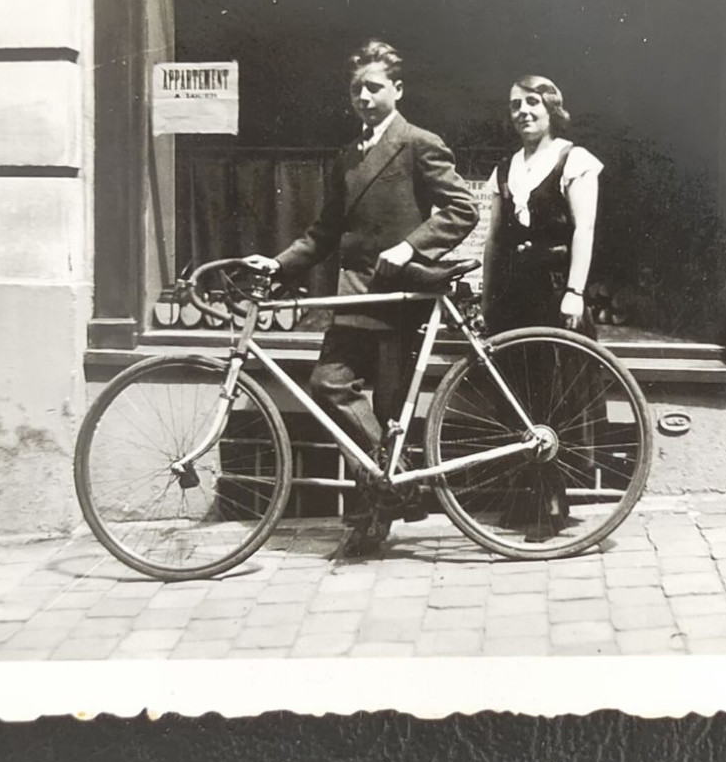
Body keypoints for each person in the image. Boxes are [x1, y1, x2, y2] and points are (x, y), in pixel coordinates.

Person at [244, 40, 479, 554]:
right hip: (355, 296)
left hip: (400, 295)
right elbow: (324, 232)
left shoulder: (418, 142)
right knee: (330, 385)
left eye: (374, 87)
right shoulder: (347, 156)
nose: (364, 97)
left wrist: (410, 246)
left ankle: (372, 521)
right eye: (356, 89)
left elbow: (462, 209)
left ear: (397, 89)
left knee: (392, 409)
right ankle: (401, 484)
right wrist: (279, 263)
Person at [480, 74, 604, 539]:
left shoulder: (575, 161)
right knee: (517, 393)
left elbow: (583, 231)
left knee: (555, 395)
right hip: (513, 297)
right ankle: (523, 493)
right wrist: (487, 297)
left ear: (552, 108)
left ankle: (553, 500)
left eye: (532, 102)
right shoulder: (505, 168)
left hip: (554, 293)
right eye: (514, 104)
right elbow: (493, 241)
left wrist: (575, 291)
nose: (523, 111)